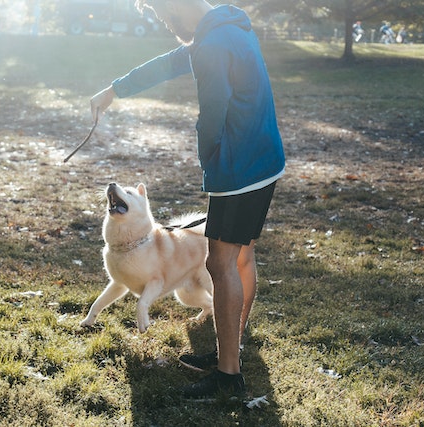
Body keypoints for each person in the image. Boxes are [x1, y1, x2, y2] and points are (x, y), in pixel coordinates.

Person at [89, 0, 285, 400]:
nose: (164, 23)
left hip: (240, 168)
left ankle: (228, 374)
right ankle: (231, 346)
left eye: (163, 14)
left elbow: (212, 115)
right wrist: (114, 89)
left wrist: (210, 166)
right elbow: (168, 63)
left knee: (220, 261)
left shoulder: (212, 44)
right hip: (264, 158)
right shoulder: (227, 25)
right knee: (241, 258)